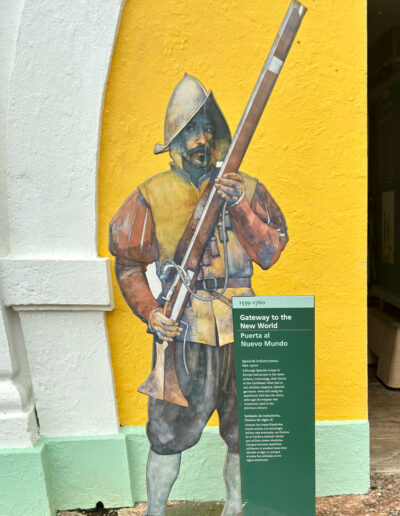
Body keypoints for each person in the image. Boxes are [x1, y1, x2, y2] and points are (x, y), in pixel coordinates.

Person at [109, 74, 288, 516]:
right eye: (190, 130)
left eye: (207, 128)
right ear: (174, 138)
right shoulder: (151, 196)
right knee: (167, 435)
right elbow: (129, 264)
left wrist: (239, 207)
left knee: (245, 433)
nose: (201, 139)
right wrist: (152, 313)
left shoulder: (246, 188)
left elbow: (270, 250)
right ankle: (155, 511)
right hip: (183, 331)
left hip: (244, 328)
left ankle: (234, 508)